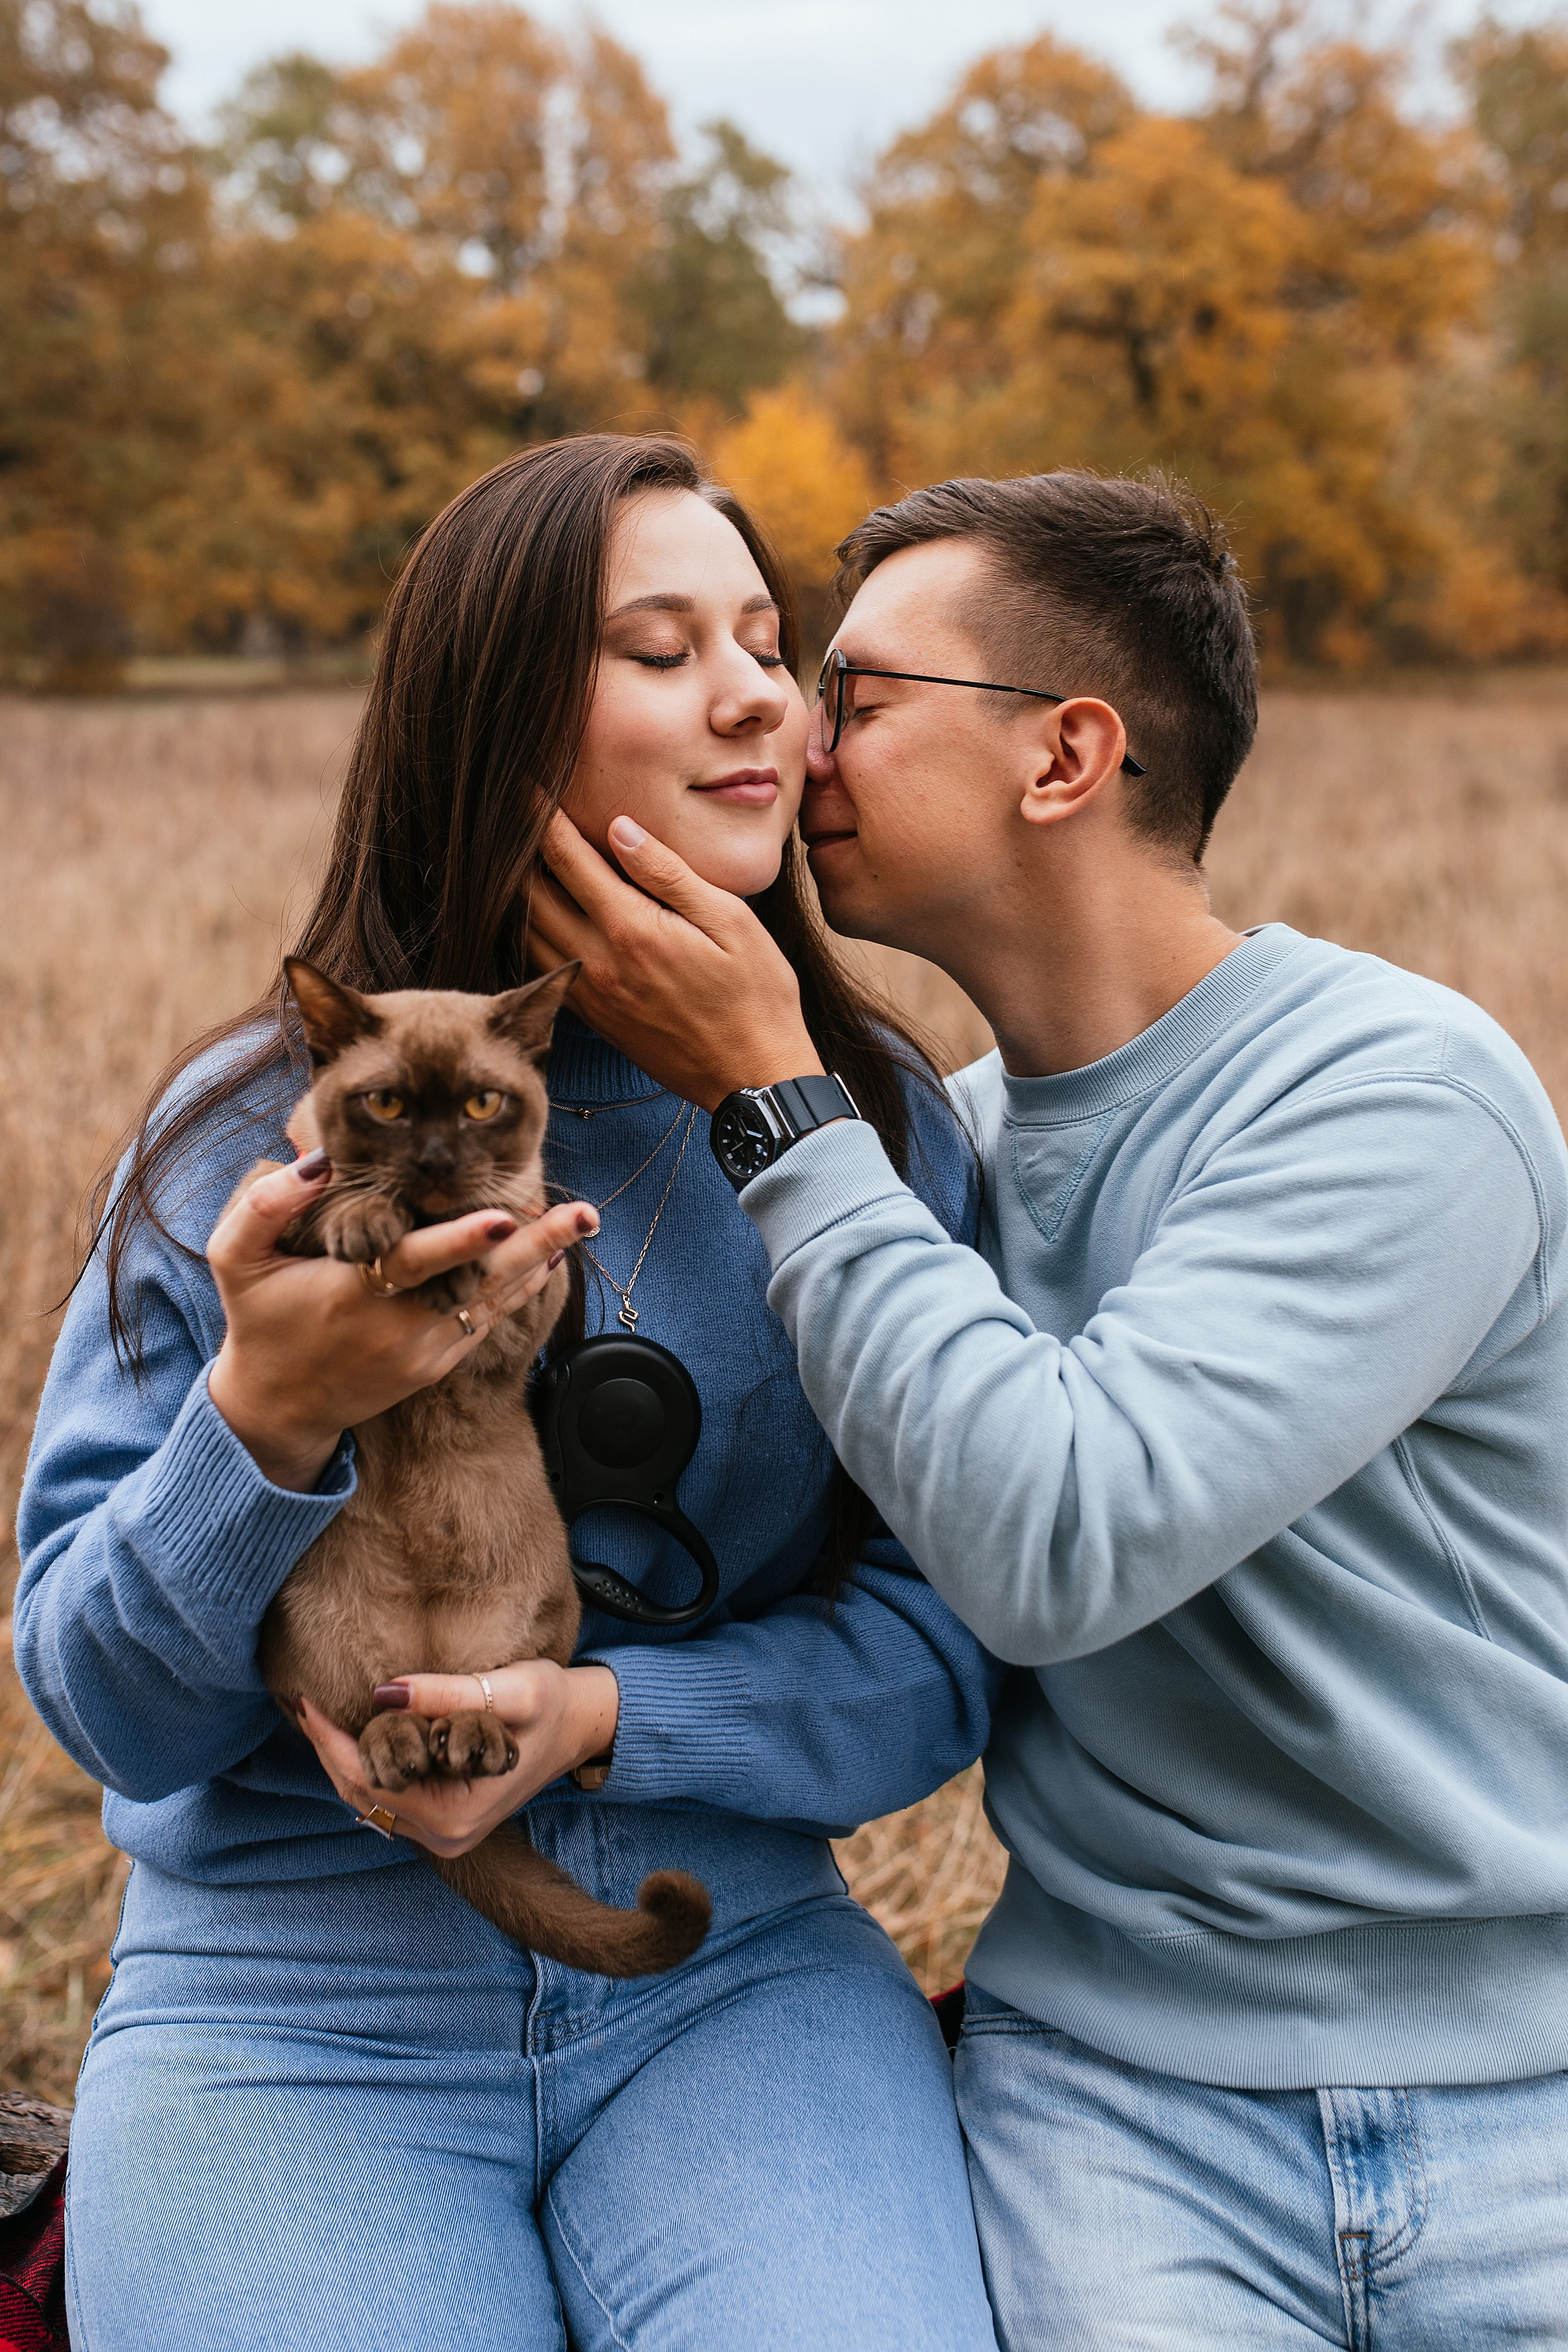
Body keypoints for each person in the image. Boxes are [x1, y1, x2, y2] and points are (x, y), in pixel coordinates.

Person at [529, 469, 1568, 2349]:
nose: (788, 731)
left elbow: (1054, 1545)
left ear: (1068, 755)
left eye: (855, 691)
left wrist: (774, 1094)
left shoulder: (1394, 1094)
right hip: (1112, 2117)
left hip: (1525, 2108)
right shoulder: (946, 1170)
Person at [13, 437, 1005, 2352]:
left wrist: (617, 1716)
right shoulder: (247, 1142)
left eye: (766, 640)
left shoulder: (874, 1125)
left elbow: (953, 1657)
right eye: (659, 647)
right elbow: (103, 1703)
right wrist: (263, 1426)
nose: (752, 696)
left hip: (734, 1976)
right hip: (291, 1996)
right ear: (496, 720)